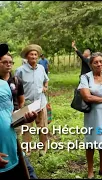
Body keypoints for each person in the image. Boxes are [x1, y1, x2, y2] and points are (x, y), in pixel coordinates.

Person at [0, 43, 38, 179]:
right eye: (4, 61)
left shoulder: (5, 85)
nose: (8, 65)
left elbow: (7, 116)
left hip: (12, 146)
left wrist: (24, 118)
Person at [78, 52, 102, 179]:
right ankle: (90, 171)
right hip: (92, 114)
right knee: (91, 141)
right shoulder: (85, 77)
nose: (99, 64)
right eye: (95, 62)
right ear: (91, 64)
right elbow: (87, 97)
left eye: (101, 61)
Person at [15, 44, 49, 157]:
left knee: (43, 127)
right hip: (27, 104)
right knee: (26, 128)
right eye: (31, 54)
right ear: (27, 56)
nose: (34, 57)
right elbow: (15, 86)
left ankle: (43, 149)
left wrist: (45, 86)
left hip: (41, 102)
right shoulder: (20, 70)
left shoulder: (41, 68)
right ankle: (27, 151)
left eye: (35, 54)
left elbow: (46, 80)